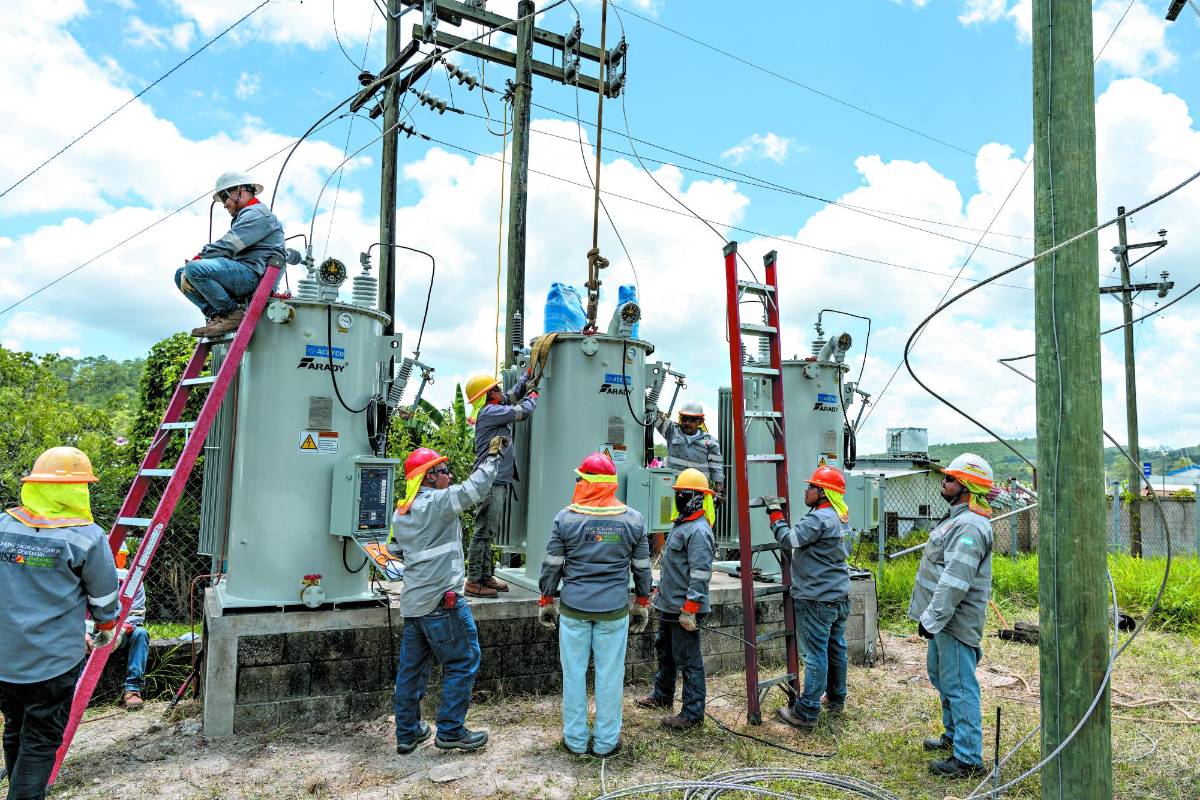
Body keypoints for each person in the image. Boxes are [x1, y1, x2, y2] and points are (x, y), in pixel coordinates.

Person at [0, 447, 120, 800]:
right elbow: (104, 599)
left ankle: (17, 789)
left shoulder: (3, 525)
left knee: (16, 726)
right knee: (40, 740)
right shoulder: (87, 536)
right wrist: (104, 629)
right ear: (78, 490)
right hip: (52, 663)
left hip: (5, 660)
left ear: (34, 486)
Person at [391, 437, 505, 754]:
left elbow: (394, 550)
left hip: (414, 605)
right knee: (463, 660)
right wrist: (493, 456)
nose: (450, 476)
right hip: (443, 603)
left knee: (411, 672)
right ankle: (451, 731)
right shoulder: (438, 504)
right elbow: (476, 488)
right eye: (444, 471)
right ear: (430, 476)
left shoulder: (402, 512)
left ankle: (408, 733)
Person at [538, 453, 653, 757]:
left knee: (573, 675)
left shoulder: (565, 519)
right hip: (613, 612)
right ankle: (605, 743)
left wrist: (546, 600)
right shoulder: (633, 520)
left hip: (574, 609)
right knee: (610, 676)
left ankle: (575, 741)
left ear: (586, 482)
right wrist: (642, 602)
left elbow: (551, 565)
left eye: (580, 478)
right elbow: (642, 568)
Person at [909, 453, 995, 779]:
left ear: (966, 486)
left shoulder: (970, 526)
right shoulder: (958, 519)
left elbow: (955, 581)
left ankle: (968, 759)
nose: (943, 482)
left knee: (959, 684)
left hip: (954, 620)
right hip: (944, 618)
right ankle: (954, 735)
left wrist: (932, 619)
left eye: (949, 479)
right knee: (941, 675)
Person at [760, 465, 853, 732]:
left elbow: (789, 540)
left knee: (816, 654)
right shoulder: (842, 517)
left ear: (822, 492)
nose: (806, 490)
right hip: (838, 595)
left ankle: (806, 711)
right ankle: (836, 699)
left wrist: (775, 514)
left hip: (816, 597)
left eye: (811, 486)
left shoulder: (817, 520)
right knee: (837, 648)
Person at [637, 468, 716, 730]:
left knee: (688, 660)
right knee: (666, 652)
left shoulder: (699, 531)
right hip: (669, 604)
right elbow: (675, 567)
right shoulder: (682, 524)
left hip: (684, 608)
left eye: (684, 494)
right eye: (678, 493)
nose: (679, 497)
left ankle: (692, 714)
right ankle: (662, 696)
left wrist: (691, 608)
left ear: (696, 497)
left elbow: (700, 574)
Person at [176, 170, 285, 338]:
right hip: (240, 272)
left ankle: (233, 315)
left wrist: (198, 258)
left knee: (194, 269)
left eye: (225, 198)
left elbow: (229, 245)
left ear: (239, 191)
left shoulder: (257, 214)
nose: (225, 204)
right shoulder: (246, 215)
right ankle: (219, 316)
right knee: (180, 274)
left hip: (252, 275)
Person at [463, 371, 538, 597]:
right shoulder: (490, 412)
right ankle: (474, 580)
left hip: (497, 480)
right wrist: (533, 396)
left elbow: (512, 396)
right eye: (495, 389)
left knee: (489, 531)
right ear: (488, 395)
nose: (499, 391)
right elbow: (522, 411)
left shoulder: (492, 408)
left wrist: (526, 378)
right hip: (490, 481)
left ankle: (485, 576)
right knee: (484, 531)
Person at [654, 401, 725, 499]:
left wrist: (719, 489)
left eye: (692, 420)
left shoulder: (710, 441)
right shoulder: (672, 432)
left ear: (700, 422)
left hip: (699, 492)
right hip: (674, 489)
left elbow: (716, 466)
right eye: (684, 419)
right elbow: (654, 415)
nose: (687, 423)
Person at [114, 541, 149, 711]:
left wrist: (120, 630)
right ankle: (75, 689)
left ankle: (132, 690)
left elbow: (136, 614)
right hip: (95, 633)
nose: (116, 559)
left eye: (120, 556)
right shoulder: (92, 576)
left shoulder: (134, 580)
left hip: (122, 634)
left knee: (141, 634)